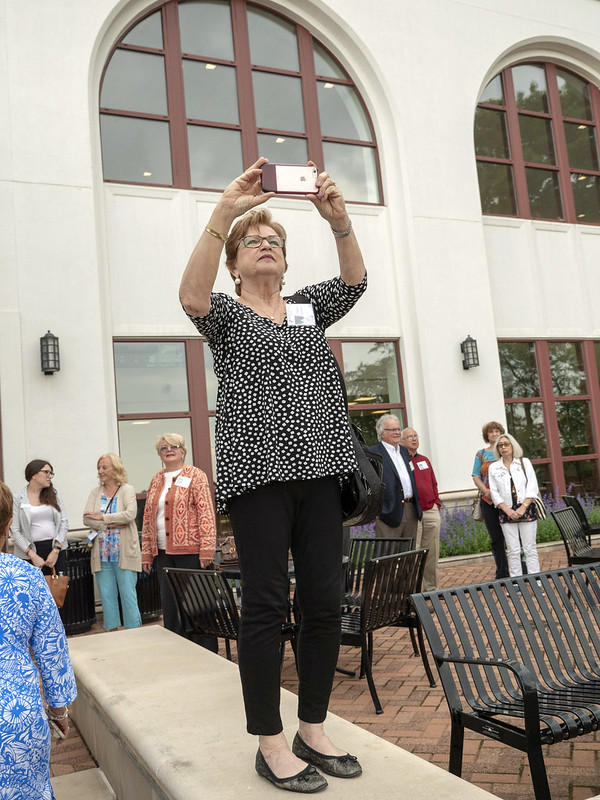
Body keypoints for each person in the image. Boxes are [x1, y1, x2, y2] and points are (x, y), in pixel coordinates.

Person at [179, 157, 366, 792]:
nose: (265, 246)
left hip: (322, 475)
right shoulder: (228, 318)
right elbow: (190, 298)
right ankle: (270, 741)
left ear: (286, 261)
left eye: (274, 242)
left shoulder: (310, 308)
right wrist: (225, 213)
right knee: (263, 605)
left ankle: (312, 727)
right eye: (253, 243)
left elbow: (357, 280)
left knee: (322, 602)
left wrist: (339, 222)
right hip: (256, 480)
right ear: (235, 264)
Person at [0, 478, 77, 798]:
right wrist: (59, 711)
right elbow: (52, 651)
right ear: (7, 526)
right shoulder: (27, 577)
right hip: (15, 718)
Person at [141, 433, 217, 641]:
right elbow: (148, 517)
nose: (169, 450)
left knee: (197, 605)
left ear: (183, 451)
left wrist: (207, 549)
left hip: (192, 553)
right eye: (164, 448)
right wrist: (147, 553)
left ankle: (205, 651)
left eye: (174, 446)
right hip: (163, 553)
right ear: (159, 454)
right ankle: (178, 652)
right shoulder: (156, 480)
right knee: (171, 607)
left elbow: (206, 513)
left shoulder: (196, 475)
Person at [83, 453, 142, 631]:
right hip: (102, 556)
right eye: (99, 468)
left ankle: (135, 635)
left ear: (115, 469)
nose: (100, 471)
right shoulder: (95, 492)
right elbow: (86, 519)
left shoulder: (127, 490)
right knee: (107, 597)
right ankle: (113, 635)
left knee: (128, 596)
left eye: (104, 467)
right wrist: (115, 522)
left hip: (124, 553)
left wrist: (102, 517)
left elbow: (130, 514)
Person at [488, 433, 541, 578]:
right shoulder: (493, 467)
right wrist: (507, 510)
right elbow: (494, 492)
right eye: (500, 445)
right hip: (506, 512)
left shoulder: (524, 463)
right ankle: (516, 583)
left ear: (512, 446)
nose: (503, 447)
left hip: (526, 509)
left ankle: (537, 581)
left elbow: (532, 487)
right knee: (513, 550)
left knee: (530, 548)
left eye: (506, 444)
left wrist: (523, 507)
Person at [369, 414, 422, 543]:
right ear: (382, 433)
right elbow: (370, 484)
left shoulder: (404, 451)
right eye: (393, 430)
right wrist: (376, 510)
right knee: (387, 555)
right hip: (388, 512)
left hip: (410, 509)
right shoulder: (374, 453)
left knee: (408, 555)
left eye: (398, 429)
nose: (398, 432)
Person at [11, 459, 68, 576]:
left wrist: (56, 550)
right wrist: (32, 555)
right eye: (46, 472)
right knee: (33, 592)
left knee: (57, 590)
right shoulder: (18, 498)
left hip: (55, 550)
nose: (50, 476)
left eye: (51, 473)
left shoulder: (54, 494)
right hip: (29, 552)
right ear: (33, 475)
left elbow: (64, 522)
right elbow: (14, 531)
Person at [401, 427, 441, 591]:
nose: (414, 439)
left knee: (432, 552)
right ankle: (413, 590)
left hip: (430, 510)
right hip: (412, 512)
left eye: (416, 435)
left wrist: (436, 504)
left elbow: (433, 483)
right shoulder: (402, 461)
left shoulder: (424, 460)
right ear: (402, 442)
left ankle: (431, 589)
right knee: (414, 553)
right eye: (409, 437)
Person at [472, 421, 509, 579]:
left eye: (497, 431)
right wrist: (486, 491)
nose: (494, 434)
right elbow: (476, 476)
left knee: (512, 537)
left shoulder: (506, 451)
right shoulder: (481, 454)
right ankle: (502, 572)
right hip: (488, 501)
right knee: (496, 538)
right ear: (486, 435)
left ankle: (520, 570)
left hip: (507, 501)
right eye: (491, 432)